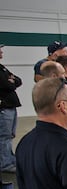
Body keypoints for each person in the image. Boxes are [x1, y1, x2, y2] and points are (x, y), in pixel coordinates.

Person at [0, 44, 22, 173]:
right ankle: (5, 164)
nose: (1, 52)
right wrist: (10, 82)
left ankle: (9, 159)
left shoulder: (2, 68)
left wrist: (11, 81)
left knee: (9, 135)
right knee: (4, 136)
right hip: (3, 108)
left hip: (11, 106)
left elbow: (18, 80)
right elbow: (7, 85)